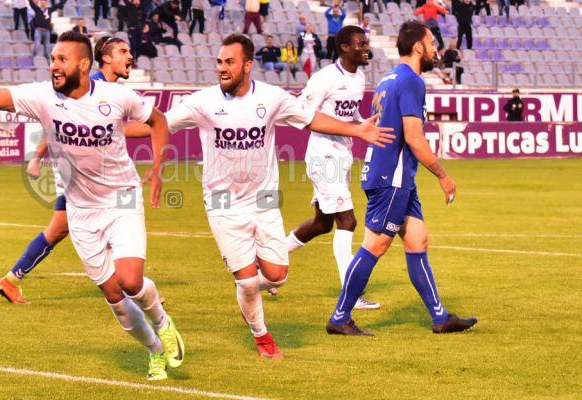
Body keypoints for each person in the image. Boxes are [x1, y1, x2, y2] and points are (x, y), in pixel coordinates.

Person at [0, 19, 185, 380]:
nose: (54, 65)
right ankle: (155, 352)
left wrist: (158, 168)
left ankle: (162, 322)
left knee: (130, 280)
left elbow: (158, 121)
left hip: (122, 198)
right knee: (114, 296)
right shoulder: (42, 97)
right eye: (52, 58)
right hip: (81, 210)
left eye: (62, 59)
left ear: (83, 65)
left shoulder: (116, 97)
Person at [164, 33, 394, 358]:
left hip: (264, 201)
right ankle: (262, 336)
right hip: (223, 204)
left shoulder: (271, 97)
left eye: (229, 62)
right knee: (251, 279)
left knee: (277, 275)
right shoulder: (203, 102)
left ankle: (249, 284)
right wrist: (114, 131)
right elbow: (159, 123)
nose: (221, 68)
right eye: (218, 62)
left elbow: (311, 118)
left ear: (247, 65)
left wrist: (356, 129)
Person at [326, 21, 478, 336]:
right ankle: (340, 317)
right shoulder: (411, 81)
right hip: (391, 177)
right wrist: (443, 175)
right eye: (432, 44)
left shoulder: (388, 79)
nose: (436, 50)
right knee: (376, 244)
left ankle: (440, 317)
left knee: (417, 239)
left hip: (391, 174)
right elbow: (414, 137)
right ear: (418, 47)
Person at [0, 36, 150, 304]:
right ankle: (131, 287)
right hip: (82, 180)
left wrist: (160, 125)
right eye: (123, 51)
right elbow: (60, 125)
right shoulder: (90, 86)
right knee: (60, 229)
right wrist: (37, 157)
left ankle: (12, 279)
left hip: (93, 180)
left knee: (58, 230)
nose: (129, 57)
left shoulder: (109, 92)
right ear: (104, 58)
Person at [288, 25, 381, 310]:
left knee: (321, 223)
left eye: (366, 43)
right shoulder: (325, 78)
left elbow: (349, 115)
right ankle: (350, 292)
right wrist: (355, 129)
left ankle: (266, 261)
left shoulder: (359, 77)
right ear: (344, 47)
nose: (366, 48)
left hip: (342, 156)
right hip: (322, 155)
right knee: (348, 221)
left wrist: (365, 124)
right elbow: (300, 113)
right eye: (360, 44)